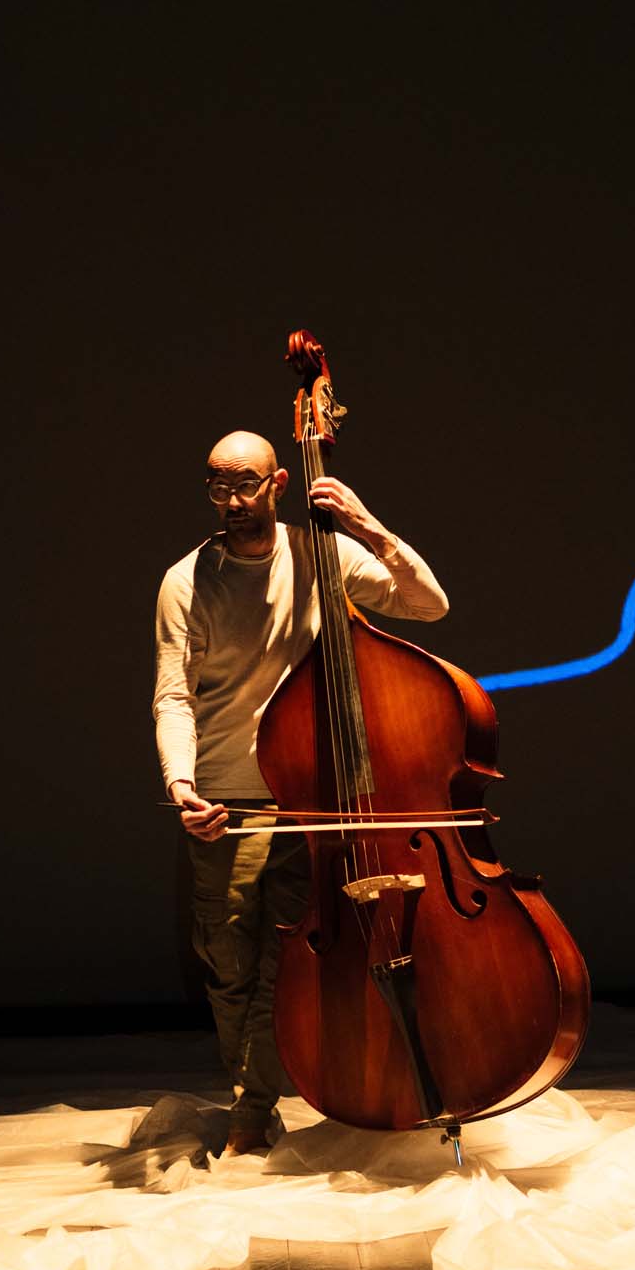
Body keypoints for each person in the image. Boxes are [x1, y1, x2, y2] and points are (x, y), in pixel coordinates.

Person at [153, 429, 448, 1154]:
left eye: (244, 484)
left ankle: (252, 1110)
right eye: (218, 485)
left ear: (278, 482)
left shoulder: (323, 554)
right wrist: (181, 782)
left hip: (312, 796)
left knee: (285, 962)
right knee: (227, 963)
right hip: (224, 799)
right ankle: (254, 1099)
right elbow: (174, 695)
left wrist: (368, 526)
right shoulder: (186, 581)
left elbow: (428, 604)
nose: (231, 501)